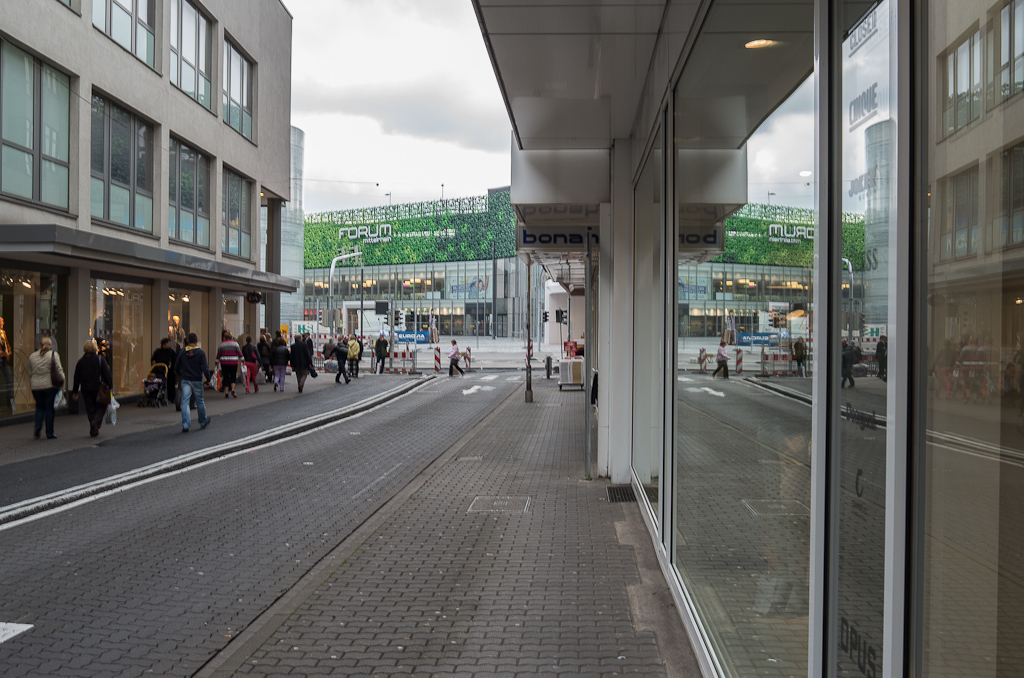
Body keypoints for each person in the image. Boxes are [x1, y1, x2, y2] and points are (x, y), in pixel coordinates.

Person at [71, 339, 113, 438]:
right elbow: (107, 374)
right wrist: (110, 386)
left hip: (86, 389)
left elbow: (76, 377)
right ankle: (95, 422)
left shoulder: (80, 362)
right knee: (102, 405)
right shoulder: (100, 359)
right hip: (99, 387)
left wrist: (75, 391)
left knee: (90, 408)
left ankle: (93, 426)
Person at [173, 332, 212, 433]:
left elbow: (176, 367)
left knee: (185, 401)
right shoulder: (201, 353)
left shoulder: (182, 352)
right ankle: (202, 421)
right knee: (199, 401)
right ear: (197, 341)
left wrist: (180, 375)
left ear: (187, 341)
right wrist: (208, 379)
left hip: (185, 379)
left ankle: (186, 425)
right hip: (197, 379)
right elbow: (205, 368)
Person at [28, 337, 64, 439]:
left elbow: (30, 372)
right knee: (49, 408)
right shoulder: (53, 355)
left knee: (40, 407)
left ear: (40, 344)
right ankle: (49, 432)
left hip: (36, 387)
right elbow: (59, 370)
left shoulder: (32, 356)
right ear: (50, 344)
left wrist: (33, 381)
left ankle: (37, 427)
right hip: (50, 386)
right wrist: (62, 386)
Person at [216, 331, 243, 398]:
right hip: (234, 362)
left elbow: (218, 354)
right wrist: (243, 360)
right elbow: (239, 353)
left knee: (226, 377)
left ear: (224, 337)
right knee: (233, 376)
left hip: (224, 363)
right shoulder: (235, 344)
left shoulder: (221, 344)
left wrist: (216, 362)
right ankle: (233, 390)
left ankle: (226, 392)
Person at [151, 337, 178, 405]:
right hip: (159, 370)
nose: (168, 345)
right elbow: (153, 359)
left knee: (171, 383)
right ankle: (157, 395)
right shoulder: (158, 352)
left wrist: (174, 368)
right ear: (163, 344)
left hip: (170, 370)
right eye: (167, 344)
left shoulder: (171, 351)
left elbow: (175, 360)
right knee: (159, 382)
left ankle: (172, 397)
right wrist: (153, 362)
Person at [0, 316, 13, 413]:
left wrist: (7, 353)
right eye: (1, 322)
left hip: (3, 359)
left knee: (9, 381)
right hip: (2, 358)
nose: (3, 323)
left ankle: (9, 402)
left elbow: (6, 346)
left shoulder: (2, 333)